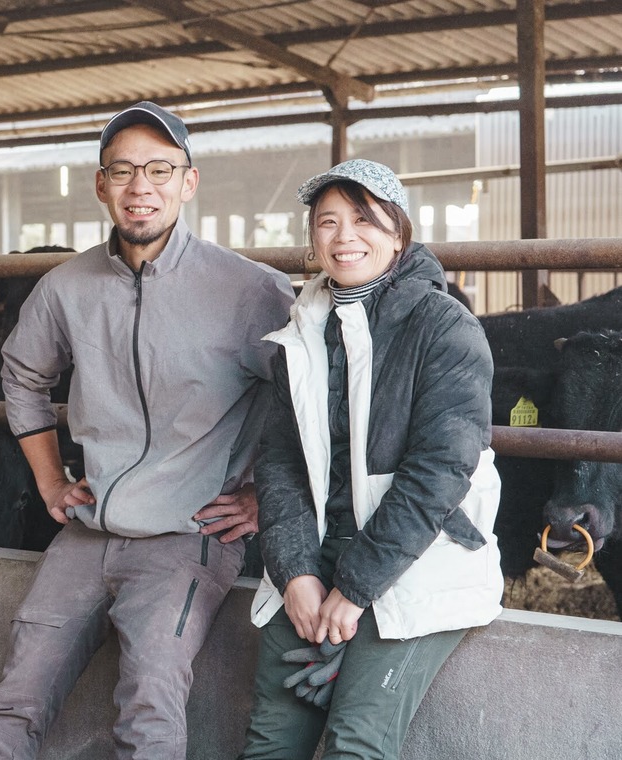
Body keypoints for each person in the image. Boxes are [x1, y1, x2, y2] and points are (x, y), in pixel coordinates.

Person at [0, 101, 294, 759]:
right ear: (101, 185)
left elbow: (311, 397)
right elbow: (22, 375)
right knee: (11, 705)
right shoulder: (66, 288)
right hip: (88, 533)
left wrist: (265, 495)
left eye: (159, 170)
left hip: (188, 535)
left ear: (188, 182)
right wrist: (51, 478)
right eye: (123, 172)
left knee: (148, 715)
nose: (141, 188)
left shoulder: (251, 290)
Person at [241, 159, 504, 760]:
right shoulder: (301, 328)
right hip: (318, 552)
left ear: (398, 233)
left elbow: (439, 473)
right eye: (327, 222)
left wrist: (354, 588)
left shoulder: (445, 328)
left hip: (418, 557)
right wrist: (295, 574)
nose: (344, 237)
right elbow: (279, 460)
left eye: (363, 219)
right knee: (268, 743)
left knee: (355, 745)